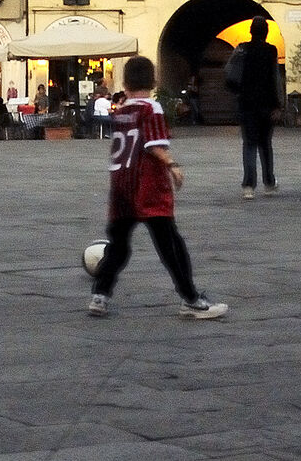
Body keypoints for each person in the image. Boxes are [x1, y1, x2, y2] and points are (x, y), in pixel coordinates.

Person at [89, 54, 227, 321]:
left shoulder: (122, 111)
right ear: (153, 81)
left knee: (118, 246)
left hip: (120, 183)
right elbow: (153, 144)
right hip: (147, 185)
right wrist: (173, 165)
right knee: (171, 245)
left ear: (125, 82)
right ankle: (192, 299)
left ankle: (100, 295)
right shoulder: (151, 108)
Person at [227, 18, 282, 196]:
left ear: (250, 31)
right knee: (265, 144)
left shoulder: (242, 49)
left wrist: (238, 91)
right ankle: (269, 183)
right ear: (266, 33)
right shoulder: (271, 51)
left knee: (249, 144)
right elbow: (275, 79)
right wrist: (278, 104)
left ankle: (248, 186)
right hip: (267, 103)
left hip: (246, 102)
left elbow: (229, 72)